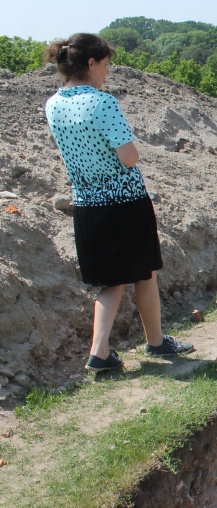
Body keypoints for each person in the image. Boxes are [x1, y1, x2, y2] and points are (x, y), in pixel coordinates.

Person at [43, 33, 193, 373]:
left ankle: (117, 349)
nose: (107, 73)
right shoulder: (102, 103)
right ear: (91, 64)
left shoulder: (53, 104)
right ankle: (138, 345)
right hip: (124, 202)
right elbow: (128, 157)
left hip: (86, 203)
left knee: (115, 277)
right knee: (141, 272)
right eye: (106, 65)